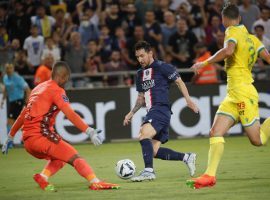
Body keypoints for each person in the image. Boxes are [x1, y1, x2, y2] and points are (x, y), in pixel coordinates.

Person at [186, 3, 270, 189]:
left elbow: (229, 50)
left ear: (224, 20)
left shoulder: (231, 31)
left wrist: (204, 63)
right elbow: (268, 58)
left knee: (257, 141)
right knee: (215, 132)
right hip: (233, 94)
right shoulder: (254, 40)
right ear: (239, 18)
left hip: (242, 93)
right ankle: (209, 176)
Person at [1, 61, 119, 191]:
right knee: (75, 157)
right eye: (67, 78)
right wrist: (89, 131)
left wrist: (10, 136)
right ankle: (95, 182)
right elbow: (70, 114)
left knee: (60, 158)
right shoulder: (57, 91)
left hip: (28, 142)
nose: (67, 81)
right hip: (40, 137)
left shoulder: (38, 88)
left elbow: (23, 114)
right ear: (63, 77)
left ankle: (42, 177)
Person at [123, 41, 199, 182]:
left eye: (142, 56)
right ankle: (187, 157)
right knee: (154, 151)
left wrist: (188, 100)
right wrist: (131, 112)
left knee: (143, 134)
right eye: (137, 57)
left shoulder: (162, 67)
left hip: (160, 109)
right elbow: (141, 98)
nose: (140, 60)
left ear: (150, 53)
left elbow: (179, 82)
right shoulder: (139, 74)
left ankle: (148, 171)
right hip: (154, 111)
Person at [0, 63, 31, 136]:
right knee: (15, 123)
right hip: (12, 102)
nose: (9, 70)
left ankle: (10, 142)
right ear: (5, 69)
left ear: (13, 69)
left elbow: (27, 89)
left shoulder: (18, 78)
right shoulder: (5, 78)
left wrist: (27, 100)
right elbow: (5, 89)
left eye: (10, 68)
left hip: (19, 101)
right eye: (7, 68)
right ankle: (11, 142)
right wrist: (2, 100)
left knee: (11, 122)